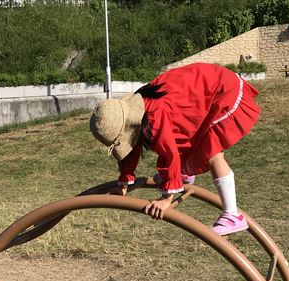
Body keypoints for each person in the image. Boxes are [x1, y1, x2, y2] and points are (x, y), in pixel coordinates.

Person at [89, 62, 260, 235]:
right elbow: (132, 145)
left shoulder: (154, 116)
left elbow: (168, 152)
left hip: (222, 90)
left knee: (212, 153)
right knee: (185, 134)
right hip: (201, 90)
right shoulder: (137, 109)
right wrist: (124, 182)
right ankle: (184, 174)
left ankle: (232, 215)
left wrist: (166, 199)